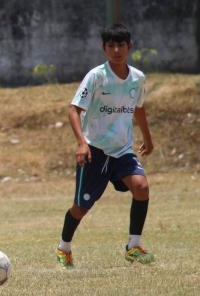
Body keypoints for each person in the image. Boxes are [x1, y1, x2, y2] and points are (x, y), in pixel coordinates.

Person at [56, 24, 155, 269]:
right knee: (81, 207)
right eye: (111, 45)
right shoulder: (97, 76)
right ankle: (64, 247)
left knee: (141, 187)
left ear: (129, 47)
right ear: (104, 49)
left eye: (121, 45)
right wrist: (81, 143)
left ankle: (133, 246)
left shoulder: (137, 78)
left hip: (122, 150)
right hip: (95, 150)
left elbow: (139, 107)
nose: (116, 50)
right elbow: (73, 110)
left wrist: (147, 137)